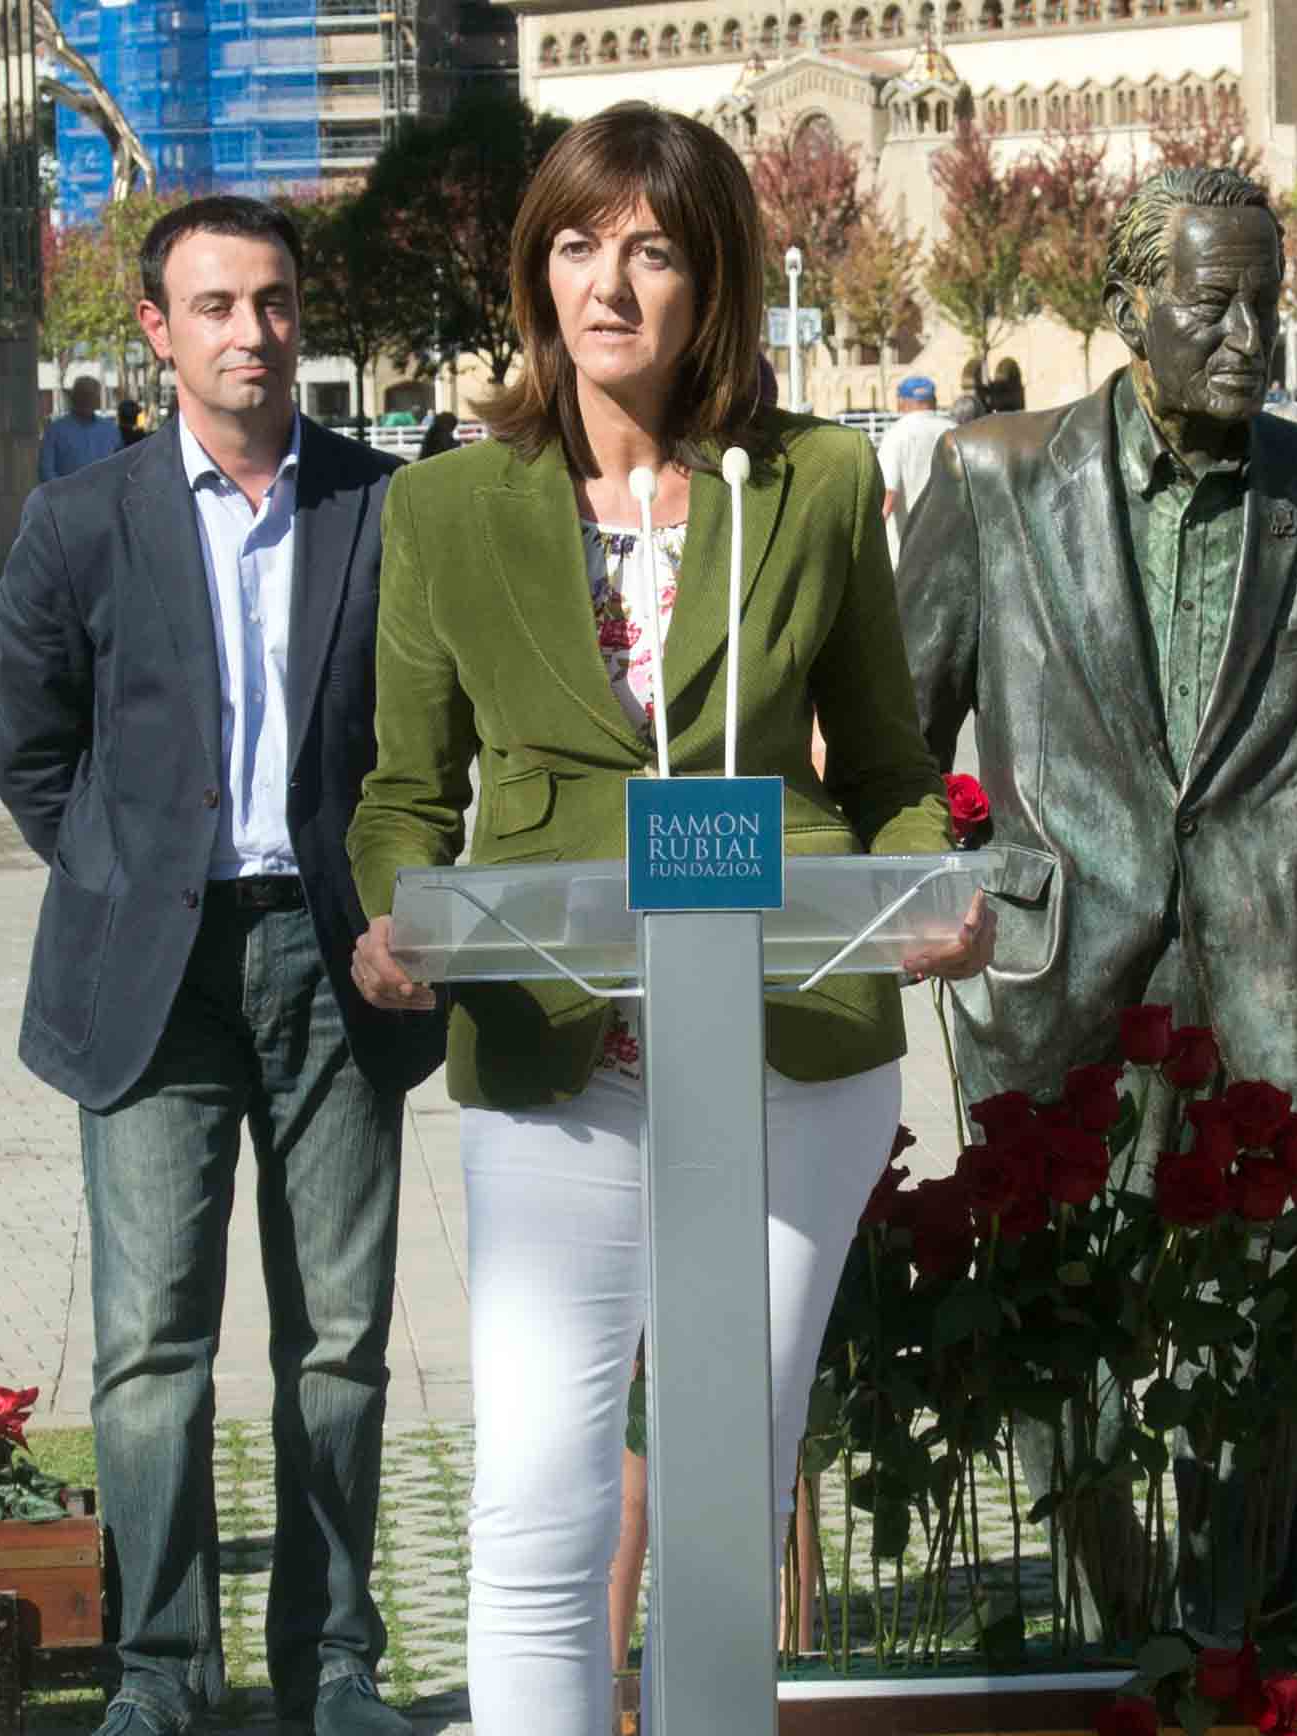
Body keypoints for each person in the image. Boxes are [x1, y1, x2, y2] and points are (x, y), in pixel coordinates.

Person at [342, 103, 993, 1736]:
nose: (608, 284)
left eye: (650, 250)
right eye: (576, 245)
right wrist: (391, 921)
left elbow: (892, 765)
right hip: (556, 1053)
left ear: (713, 281)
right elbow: (403, 795)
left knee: (722, 1490)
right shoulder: (443, 510)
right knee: (534, 1496)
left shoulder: (817, 482)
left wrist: (927, 893)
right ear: (534, 273)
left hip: (789, 1047)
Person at [895, 164, 1297, 1641]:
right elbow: (899, 738)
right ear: (1132, 310)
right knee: (1062, 1334)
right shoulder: (995, 478)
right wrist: (968, 898)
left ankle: (1241, 1647)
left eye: (1269, 302)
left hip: (1277, 976)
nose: (1249, 336)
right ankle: (1104, 1639)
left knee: (1263, 1338)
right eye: (1211, 304)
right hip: (1061, 975)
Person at [0, 194, 445, 1736]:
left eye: (273, 301)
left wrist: (406, 909)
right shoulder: (79, 521)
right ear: (156, 329)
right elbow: (33, 757)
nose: (252, 331)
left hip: (337, 963)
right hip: (154, 979)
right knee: (149, 1347)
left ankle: (333, 1668)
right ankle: (160, 1675)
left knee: (341, 1342)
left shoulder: (386, 508)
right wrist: (128, 886)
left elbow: (431, 738)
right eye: (216, 305)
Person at [875, 375, 952, 560]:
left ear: (902, 402)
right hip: (948, 545)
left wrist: (872, 535)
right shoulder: (954, 430)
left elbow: (888, 493)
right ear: (933, 401)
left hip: (907, 552)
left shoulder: (896, 435)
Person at [38, 374, 124, 481]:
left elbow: (121, 465)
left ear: (98, 400)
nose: (87, 400)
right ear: (74, 398)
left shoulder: (110, 430)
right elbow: (46, 470)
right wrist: (64, 490)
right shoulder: (55, 431)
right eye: (83, 395)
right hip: (68, 490)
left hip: (105, 490)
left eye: (92, 396)